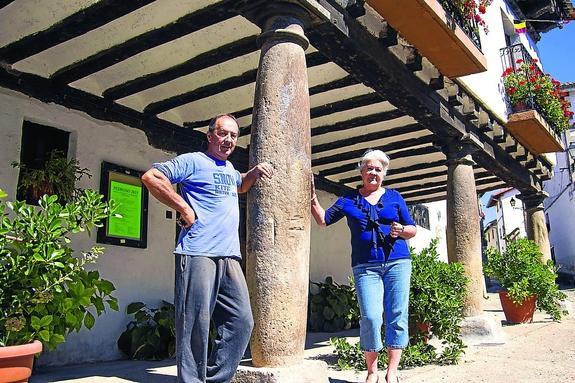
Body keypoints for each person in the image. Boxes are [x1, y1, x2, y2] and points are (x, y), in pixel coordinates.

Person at [141, 113, 273, 383]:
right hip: (198, 252)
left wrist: (253, 173)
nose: (228, 140)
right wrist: (184, 207)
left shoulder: (229, 171)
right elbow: (152, 176)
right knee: (195, 325)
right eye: (223, 133)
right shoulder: (193, 161)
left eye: (234, 136)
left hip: (229, 256)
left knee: (242, 321)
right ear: (210, 135)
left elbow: (240, 186)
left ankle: (214, 379)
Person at [310, 149, 416, 383]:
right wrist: (312, 199)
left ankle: (392, 372)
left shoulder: (395, 198)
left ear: (384, 173)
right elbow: (323, 220)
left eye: (378, 169)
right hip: (365, 267)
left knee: (397, 314)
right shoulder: (348, 200)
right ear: (361, 172)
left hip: (397, 263)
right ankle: (372, 372)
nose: (373, 173)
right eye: (369, 168)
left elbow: (412, 229)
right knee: (370, 316)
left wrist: (401, 231)